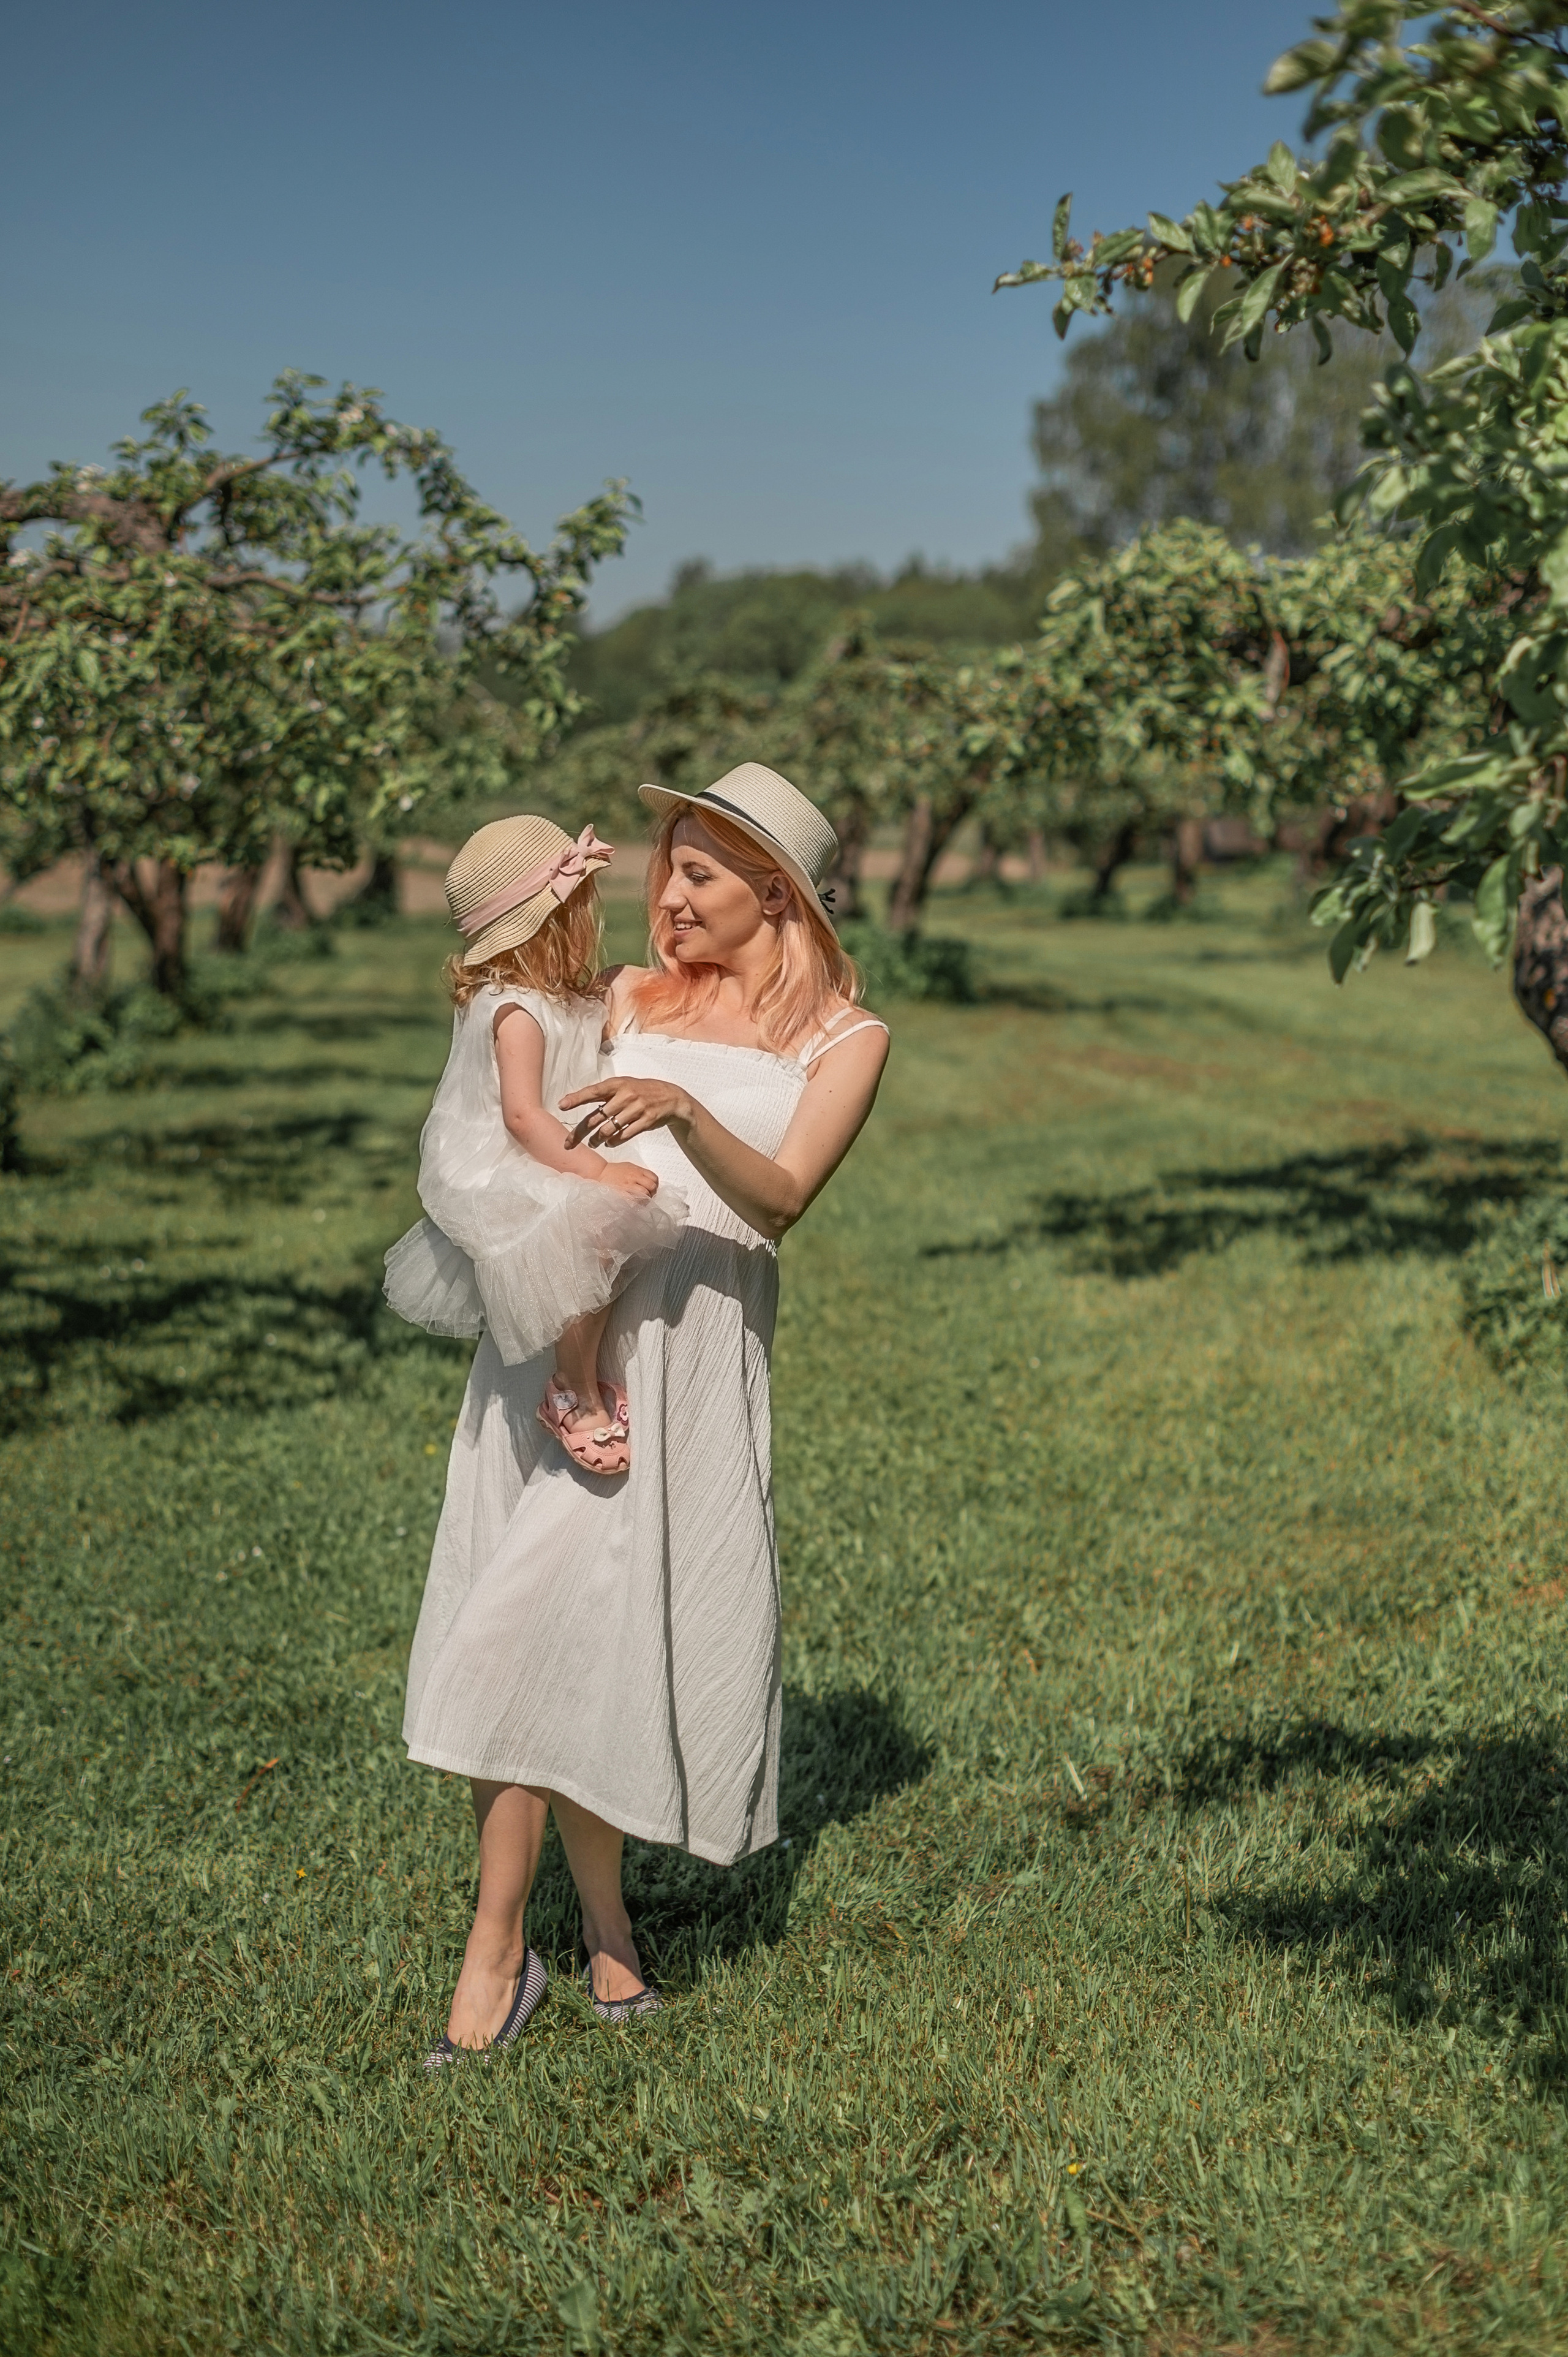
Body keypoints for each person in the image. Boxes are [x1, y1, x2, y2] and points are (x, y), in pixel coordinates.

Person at [402, 763, 890, 2064]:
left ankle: (607, 1934)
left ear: (775, 895)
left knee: (605, 1643)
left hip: (694, 1360)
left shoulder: (846, 1039)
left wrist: (683, 1108)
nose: (664, 895)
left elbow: (781, 1197)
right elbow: (507, 1098)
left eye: (697, 873)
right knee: (519, 1634)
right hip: (572, 1361)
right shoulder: (619, 996)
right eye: (666, 865)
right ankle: (498, 1950)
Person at [383, 814, 686, 1475]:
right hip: (507, 1156)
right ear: (550, 924)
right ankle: (573, 1390)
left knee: (602, 1236)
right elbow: (522, 1116)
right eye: (582, 912)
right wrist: (598, 1171)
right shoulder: (516, 1010)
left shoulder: (557, 997)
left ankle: (581, 1374)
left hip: (555, 1141)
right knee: (594, 1226)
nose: (593, 925)